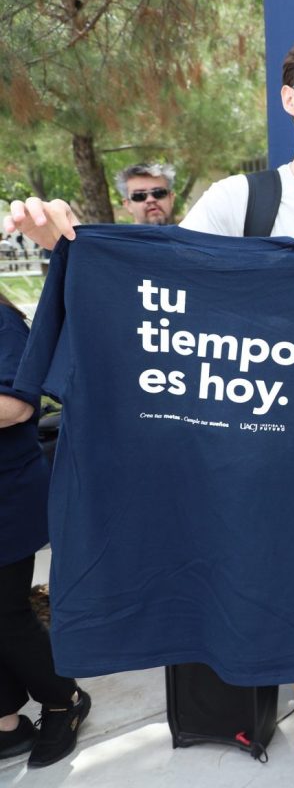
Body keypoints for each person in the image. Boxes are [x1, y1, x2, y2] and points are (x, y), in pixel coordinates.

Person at [5, 26, 294, 788]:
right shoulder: (239, 199)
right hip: (280, 452)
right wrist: (68, 245)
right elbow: (168, 293)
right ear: (290, 98)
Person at [0, 289, 90, 769]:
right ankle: (7, 721)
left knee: (6, 612)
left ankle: (64, 699)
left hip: (6, 494)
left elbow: (17, 405)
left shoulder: (3, 323)